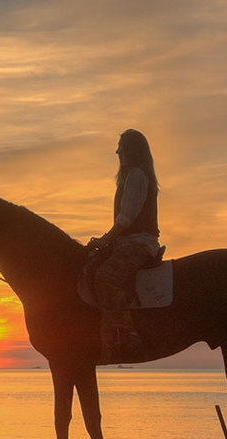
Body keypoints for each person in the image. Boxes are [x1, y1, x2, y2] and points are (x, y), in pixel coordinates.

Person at [87, 129, 163, 363]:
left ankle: (127, 334)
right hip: (127, 242)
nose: (117, 151)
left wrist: (105, 240)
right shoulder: (131, 177)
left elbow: (126, 218)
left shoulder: (137, 176)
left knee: (105, 278)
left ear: (132, 149)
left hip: (138, 243)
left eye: (122, 146)